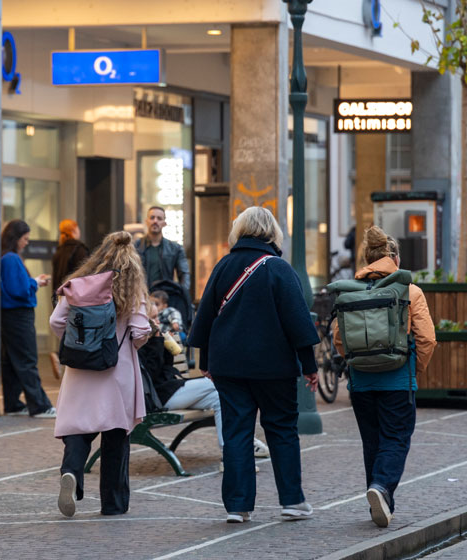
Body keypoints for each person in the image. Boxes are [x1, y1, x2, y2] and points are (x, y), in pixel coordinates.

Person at [186, 206, 319, 524]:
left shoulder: (223, 266)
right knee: (282, 430)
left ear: (240, 230)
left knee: (236, 432)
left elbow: (206, 318)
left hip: (229, 367)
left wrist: (206, 362)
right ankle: (291, 501)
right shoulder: (279, 269)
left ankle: (237, 506)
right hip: (274, 369)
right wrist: (309, 365)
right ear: (272, 232)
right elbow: (297, 322)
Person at [334, 226, 436, 528]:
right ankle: (380, 488)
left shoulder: (350, 290)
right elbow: (427, 339)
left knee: (372, 442)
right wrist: (413, 370)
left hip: (361, 382)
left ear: (367, 259)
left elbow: (340, 339)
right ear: (395, 259)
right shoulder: (410, 291)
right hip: (397, 380)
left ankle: (381, 503)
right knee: (396, 438)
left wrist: (355, 364)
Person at [51, 231, 152, 518]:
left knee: (78, 429)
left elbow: (57, 321)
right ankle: (113, 503)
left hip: (80, 369)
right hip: (115, 370)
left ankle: (71, 472)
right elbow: (140, 332)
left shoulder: (78, 284)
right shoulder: (132, 289)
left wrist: (80, 341)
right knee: (115, 436)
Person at [140, 291, 272, 463]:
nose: (158, 322)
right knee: (219, 384)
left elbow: (166, 369)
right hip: (159, 398)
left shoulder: (154, 338)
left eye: (158, 318)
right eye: (154, 319)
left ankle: (231, 451)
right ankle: (241, 445)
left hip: (171, 389)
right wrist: (157, 343)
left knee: (219, 398)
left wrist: (165, 346)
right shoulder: (139, 342)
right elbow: (151, 373)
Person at [0, 219, 56, 418]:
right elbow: (19, 290)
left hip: (9, 315)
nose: (27, 242)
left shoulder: (5, 258)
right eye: (25, 239)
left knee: (11, 361)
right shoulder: (12, 259)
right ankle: (39, 405)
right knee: (27, 359)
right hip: (19, 314)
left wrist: (32, 281)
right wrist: (35, 283)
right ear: (16, 238)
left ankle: (13, 403)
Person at [136, 206, 191, 298]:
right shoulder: (135, 247)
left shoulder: (175, 248)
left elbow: (184, 274)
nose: (155, 221)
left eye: (159, 218)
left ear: (164, 223)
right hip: (141, 299)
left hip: (165, 299)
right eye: (152, 217)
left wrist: (181, 296)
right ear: (146, 221)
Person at [51, 219, 89, 301]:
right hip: (74, 298)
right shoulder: (80, 250)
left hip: (60, 297)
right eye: (77, 228)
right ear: (74, 230)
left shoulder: (59, 251)